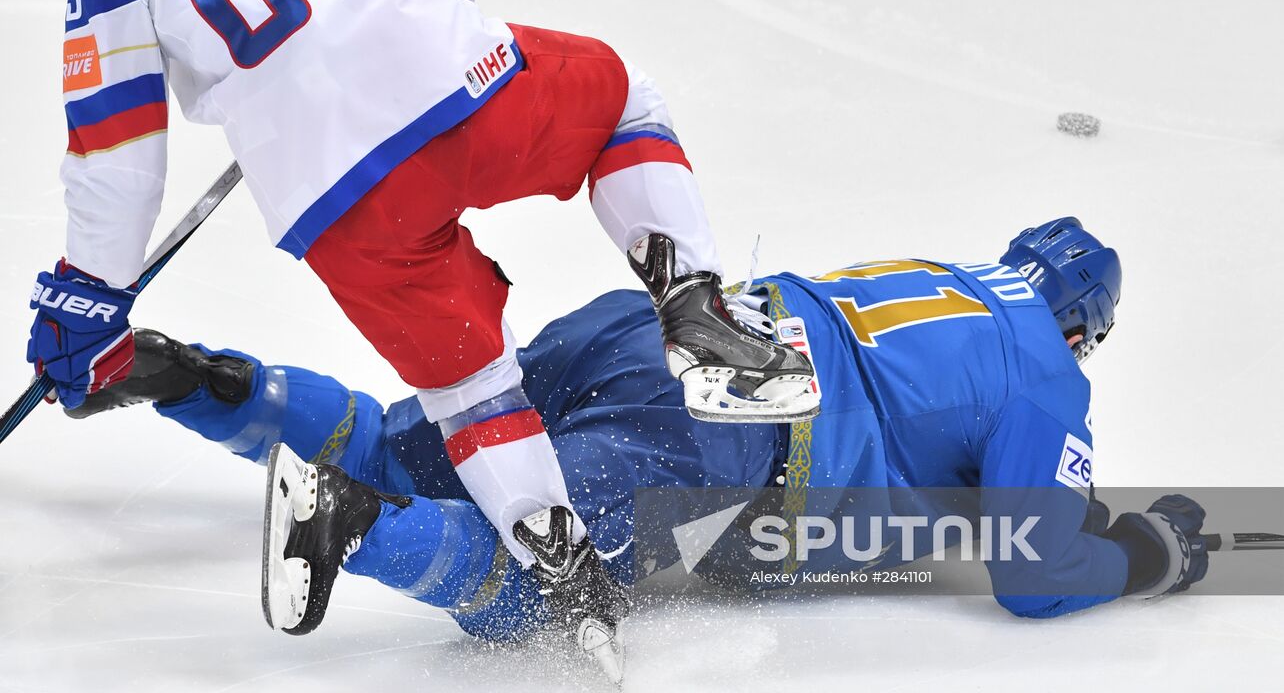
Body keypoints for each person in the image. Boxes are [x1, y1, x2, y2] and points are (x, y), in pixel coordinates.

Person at [24, 0, 821, 667]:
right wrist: (409, 53)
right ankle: (691, 298)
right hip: (462, 89)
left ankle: (563, 572)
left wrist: (87, 300)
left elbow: (117, 156)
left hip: (334, 190)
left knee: (470, 386)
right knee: (619, 103)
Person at [69, 216, 1209, 677]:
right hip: (726, 429)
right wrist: (1152, 552)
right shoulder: (1046, 369)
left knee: (408, 440)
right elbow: (1035, 569)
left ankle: (190, 378)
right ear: (1084, 332)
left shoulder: (946, 274)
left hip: (638, 331)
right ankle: (350, 526)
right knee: (540, 582)